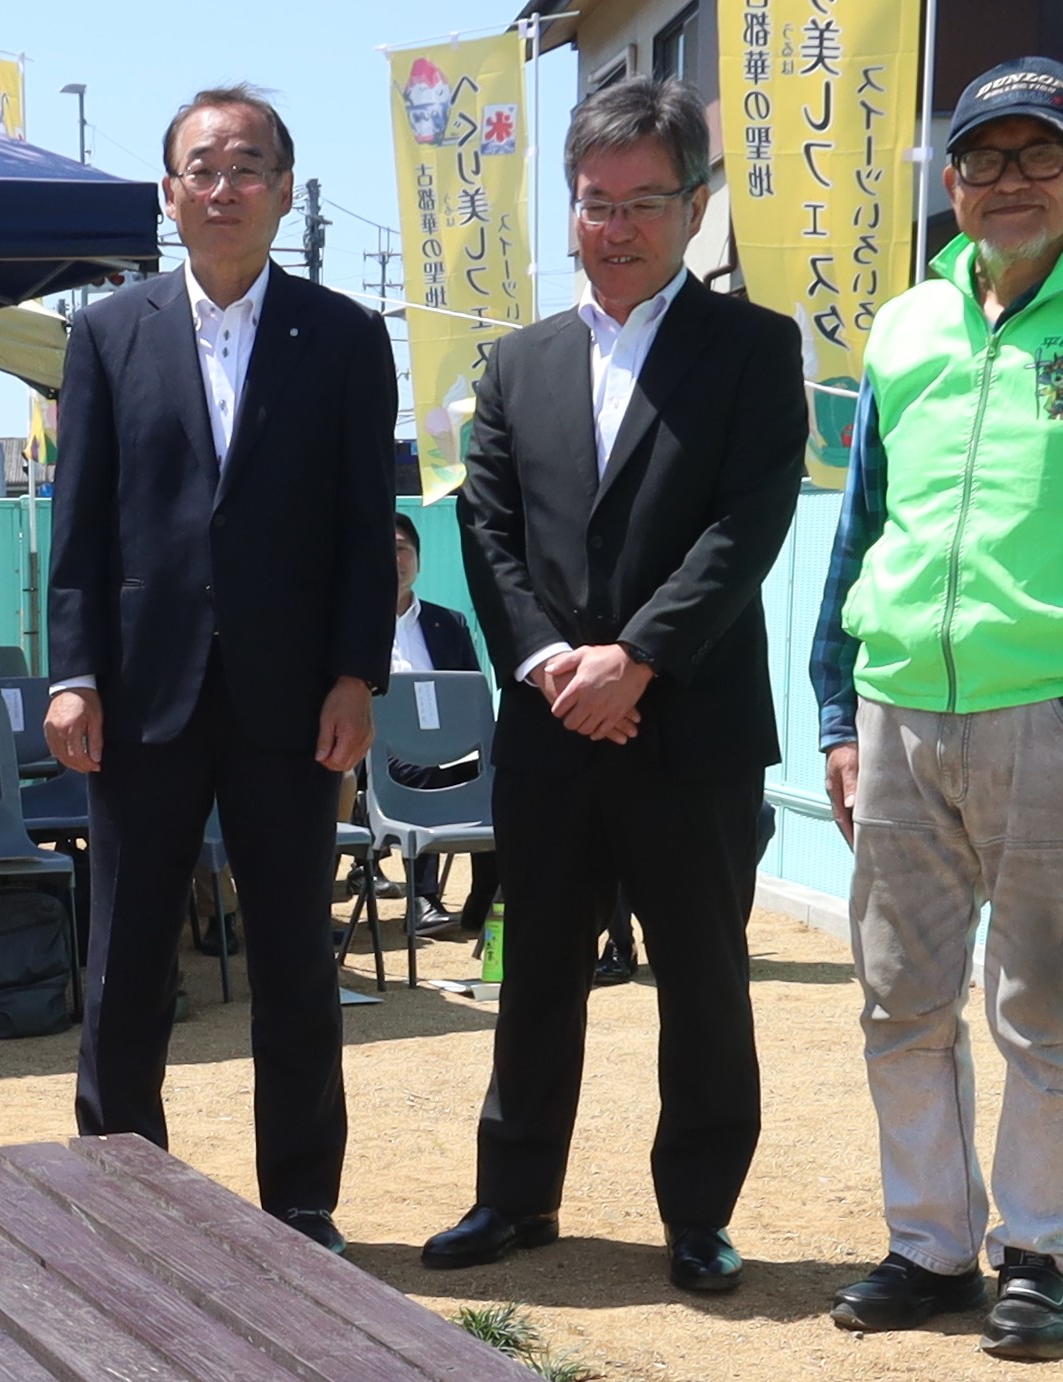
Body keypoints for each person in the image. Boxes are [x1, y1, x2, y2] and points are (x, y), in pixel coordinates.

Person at [810, 58, 1063, 1360]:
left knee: (1051, 1005)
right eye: (984, 157)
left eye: (1043, 154)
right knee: (899, 998)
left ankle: (1035, 1253)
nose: (1012, 180)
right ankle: (928, 1244)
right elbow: (862, 526)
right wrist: (835, 708)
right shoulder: (903, 328)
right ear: (951, 182)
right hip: (900, 708)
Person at [424, 77, 804, 1294]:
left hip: (691, 722)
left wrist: (636, 657)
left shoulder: (754, 348)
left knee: (704, 980)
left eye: (646, 200)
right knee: (535, 969)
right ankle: (514, 1195)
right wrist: (550, 663)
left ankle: (698, 1214)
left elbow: (748, 523)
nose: (619, 225)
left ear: (695, 206)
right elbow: (487, 531)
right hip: (549, 728)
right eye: (597, 202)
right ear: (571, 210)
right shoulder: (516, 362)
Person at [45, 87, 397, 1251]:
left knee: (293, 952)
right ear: (169, 193)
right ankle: (119, 1191)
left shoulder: (344, 336)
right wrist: (72, 671)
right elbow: (78, 522)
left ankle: (301, 1199)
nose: (224, 187)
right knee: (126, 952)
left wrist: (356, 674)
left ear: (285, 190)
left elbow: (364, 525)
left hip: (294, 699)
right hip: (140, 692)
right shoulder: (107, 333)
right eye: (202, 168)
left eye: (248, 166)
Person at [385, 511, 491, 939]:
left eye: (402, 549)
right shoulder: (350, 624)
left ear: (418, 559)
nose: (395, 559)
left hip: (447, 749)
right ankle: (422, 899)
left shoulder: (448, 623)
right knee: (422, 768)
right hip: (375, 755)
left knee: (498, 775)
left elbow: (471, 698)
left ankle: (485, 898)